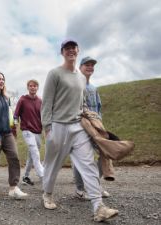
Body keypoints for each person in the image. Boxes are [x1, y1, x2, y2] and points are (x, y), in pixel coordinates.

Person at [41, 39, 118, 222]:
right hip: (58, 126)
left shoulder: (82, 78)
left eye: (73, 48)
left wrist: (91, 119)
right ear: (62, 52)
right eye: (67, 48)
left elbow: (82, 102)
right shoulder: (54, 74)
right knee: (52, 165)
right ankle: (47, 194)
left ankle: (99, 207)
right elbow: (47, 102)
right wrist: (48, 129)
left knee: (89, 165)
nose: (70, 51)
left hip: (78, 127)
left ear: (77, 51)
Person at [0, 72, 28, 201]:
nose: (1, 81)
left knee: (14, 157)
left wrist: (12, 127)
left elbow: (8, 116)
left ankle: (13, 188)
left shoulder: (5, 98)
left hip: (7, 133)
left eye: (3, 79)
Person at [73, 56, 110, 199]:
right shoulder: (75, 86)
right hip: (81, 126)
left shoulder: (94, 88)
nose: (90, 67)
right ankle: (80, 189)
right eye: (86, 65)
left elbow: (98, 108)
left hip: (96, 126)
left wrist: (99, 124)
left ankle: (94, 184)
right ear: (80, 67)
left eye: (92, 65)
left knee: (105, 153)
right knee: (81, 157)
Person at [14, 79, 44, 185]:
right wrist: (15, 123)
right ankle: (43, 176)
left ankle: (25, 177)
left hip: (38, 131)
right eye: (31, 86)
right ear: (28, 87)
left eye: (35, 86)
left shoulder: (40, 101)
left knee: (32, 155)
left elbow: (43, 117)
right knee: (35, 152)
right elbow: (16, 114)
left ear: (37, 87)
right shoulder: (22, 99)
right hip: (27, 130)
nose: (33, 87)